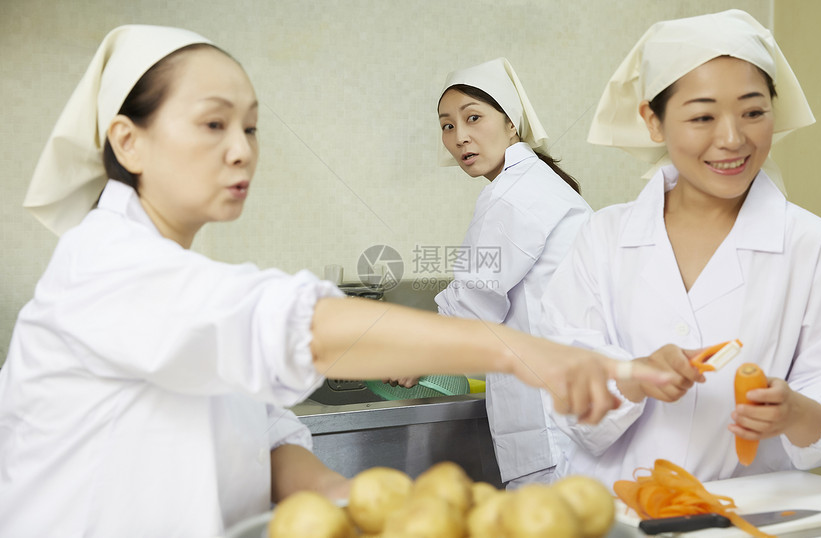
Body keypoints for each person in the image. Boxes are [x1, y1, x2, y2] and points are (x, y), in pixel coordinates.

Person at [0, 25, 665, 537]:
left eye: (251, 126)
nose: (242, 148)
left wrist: (366, 508)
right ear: (128, 141)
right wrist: (523, 351)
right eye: (213, 123)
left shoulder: (187, 286)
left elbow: (267, 440)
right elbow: (300, 326)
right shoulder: (104, 267)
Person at [539, 9, 821, 488]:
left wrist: (795, 412)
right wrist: (632, 377)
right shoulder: (602, 239)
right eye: (702, 116)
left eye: (754, 111)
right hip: (613, 514)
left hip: (750, 517)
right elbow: (562, 393)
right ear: (653, 120)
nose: (732, 139)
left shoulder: (819, 249)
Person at [432, 58, 592, 489]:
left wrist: (413, 352)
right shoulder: (534, 183)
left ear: (511, 124)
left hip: (552, 425)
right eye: (447, 126)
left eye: (473, 118)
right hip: (571, 412)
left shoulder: (514, 194)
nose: (460, 136)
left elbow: (471, 306)